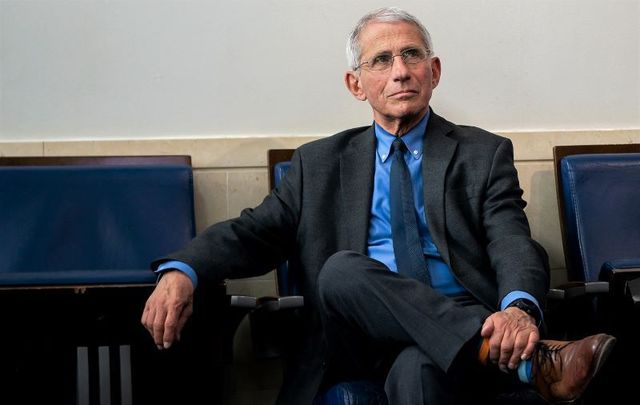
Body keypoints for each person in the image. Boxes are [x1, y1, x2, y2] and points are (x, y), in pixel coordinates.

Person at [142, 6, 615, 405]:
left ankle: (484, 345)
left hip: (459, 317)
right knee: (342, 271)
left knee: (417, 372)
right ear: (356, 84)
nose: (400, 71)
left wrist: (518, 310)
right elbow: (253, 232)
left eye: (412, 55)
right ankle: (529, 360)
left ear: (434, 71)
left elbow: (510, 239)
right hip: (359, 336)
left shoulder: (481, 153)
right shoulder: (319, 164)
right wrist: (184, 269)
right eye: (381, 60)